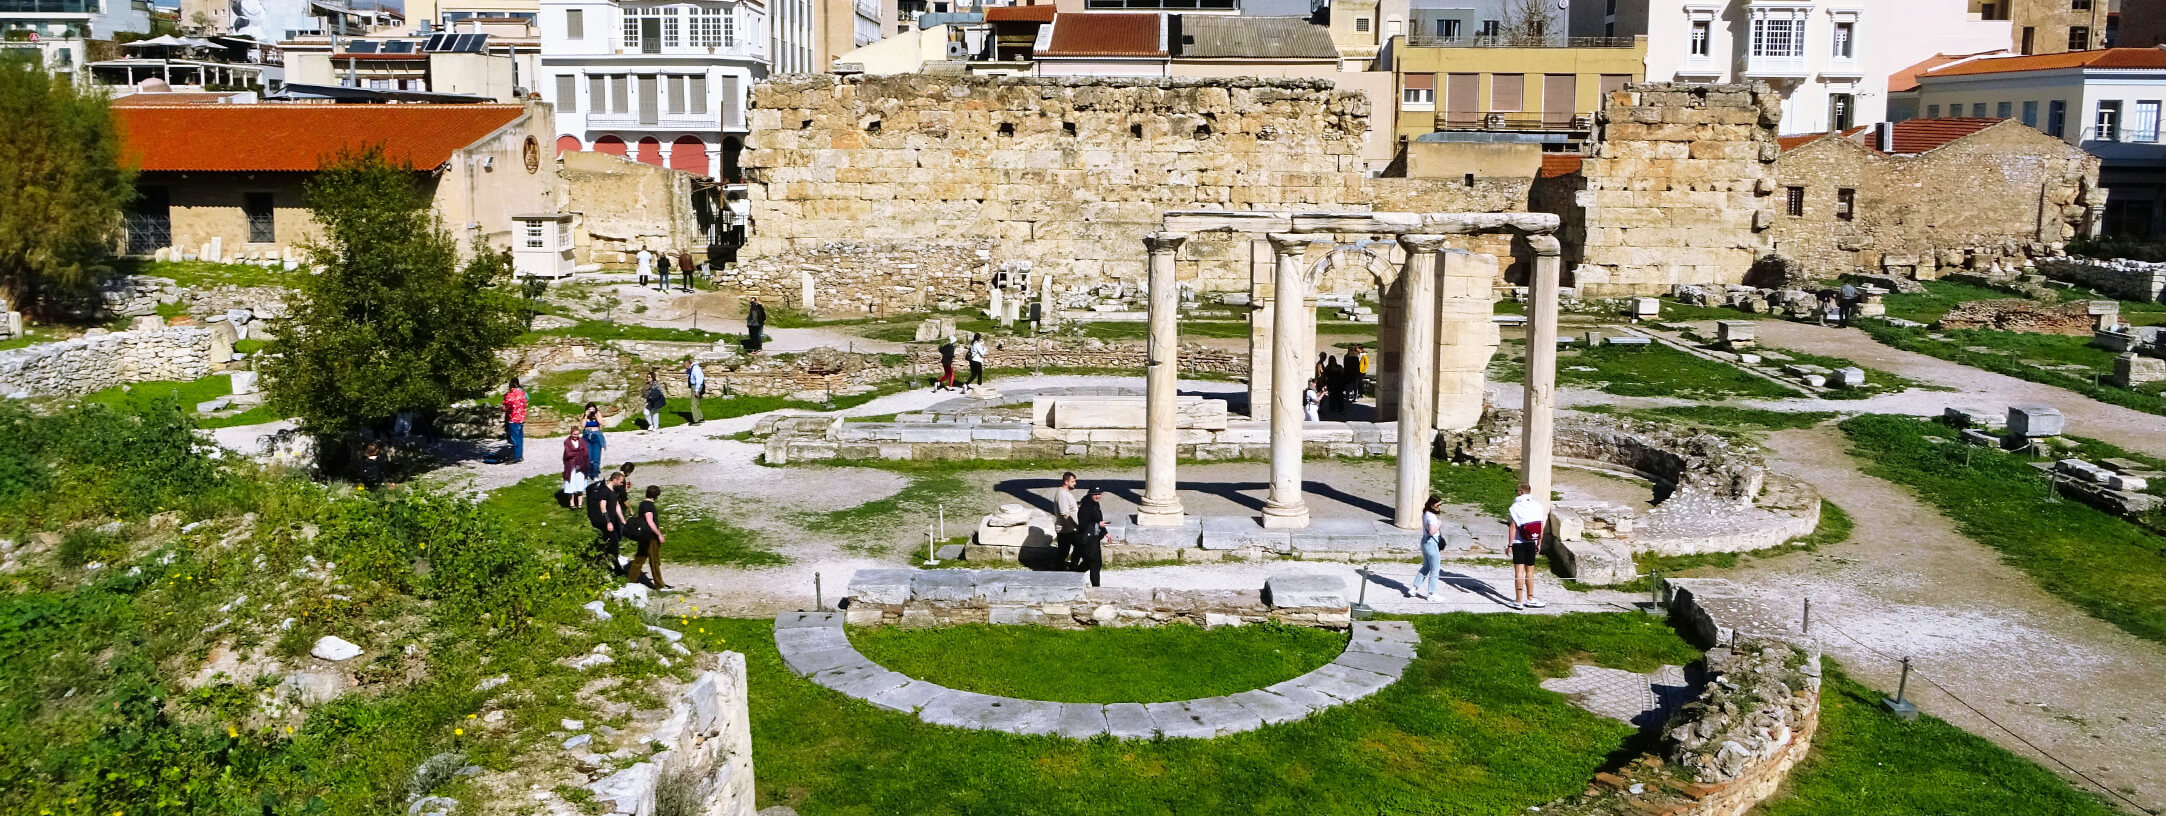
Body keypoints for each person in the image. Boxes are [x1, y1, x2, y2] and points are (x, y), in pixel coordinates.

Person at [1506, 483, 1549, 610]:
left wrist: (1509, 545)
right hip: (1532, 541)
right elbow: (1540, 526)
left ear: (1521, 492)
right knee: (1530, 571)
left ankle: (1518, 601)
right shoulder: (1537, 506)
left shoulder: (1515, 507)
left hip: (1519, 542)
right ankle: (1530, 598)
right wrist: (1539, 542)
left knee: (1519, 572)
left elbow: (1513, 527)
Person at [624, 484, 670, 590]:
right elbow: (650, 521)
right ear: (656, 496)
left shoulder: (642, 504)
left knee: (639, 558)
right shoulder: (649, 506)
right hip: (650, 536)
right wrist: (659, 534)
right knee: (654, 561)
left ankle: (631, 581)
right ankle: (659, 585)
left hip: (643, 536)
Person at [586, 470, 624, 571]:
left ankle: (596, 560)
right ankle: (616, 566)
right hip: (605, 522)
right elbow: (602, 506)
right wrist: (608, 521)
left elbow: (616, 505)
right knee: (612, 542)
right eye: (620, 481)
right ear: (614, 480)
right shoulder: (604, 491)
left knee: (607, 542)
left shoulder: (614, 490)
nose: (622, 483)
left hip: (612, 521)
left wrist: (622, 520)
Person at [1410, 495, 1445, 599]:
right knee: (1435, 569)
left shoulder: (1425, 514)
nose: (1440, 507)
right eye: (1438, 505)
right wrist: (1439, 524)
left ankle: (1414, 588)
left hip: (1424, 542)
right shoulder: (1431, 517)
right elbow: (1431, 531)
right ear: (1432, 504)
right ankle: (1431, 593)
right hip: (1431, 543)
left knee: (1426, 567)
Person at [1073, 486, 1107, 586]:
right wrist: (1098, 525)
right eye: (1095, 494)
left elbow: (1098, 519)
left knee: (1092, 562)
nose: (1098, 496)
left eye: (1099, 494)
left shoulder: (1095, 505)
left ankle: (1075, 574)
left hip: (1094, 538)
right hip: (1088, 540)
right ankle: (1096, 586)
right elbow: (1083, 525)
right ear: (1090, 495)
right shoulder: (1086, 507)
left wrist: (1105, 532)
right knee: (1094, 563)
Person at [1054, 471, 1080, 566]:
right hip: (1065, 530)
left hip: (1070, 529)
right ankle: (1059, 570)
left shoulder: (1066, 493)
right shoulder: (1062, 495)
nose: (1075, 484)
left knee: (1079, 546)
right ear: (1066, 482)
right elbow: (1064, 514)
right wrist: (1076, 526)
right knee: (1063, 552)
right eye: (1073, 481)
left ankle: (1073, 566)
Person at [500, 378, 527, 464]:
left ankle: (516, 457)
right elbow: (526, 400)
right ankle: (520, 455)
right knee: (520, 438)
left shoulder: (510, 395)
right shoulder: (523, 393)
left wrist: (502, 408)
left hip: (513, 419)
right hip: (521, 418)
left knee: (515, 439)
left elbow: (505, 408)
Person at [562, 432, 589, 509]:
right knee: (571, 484)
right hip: (571, 466)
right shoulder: (567, 442)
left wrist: (577, 455)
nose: (575, 436)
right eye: (574, 434)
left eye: (577, 434)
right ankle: (572, 503)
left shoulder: (582, 442)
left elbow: (585, 453)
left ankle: (580, 503)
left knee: (580, 483)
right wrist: (578, 454)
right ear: (571, 434)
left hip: (580, 465)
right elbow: (568, 454)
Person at [581, 403, 606, 479]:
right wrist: (585, 416)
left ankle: (595, 474)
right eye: (589, 409)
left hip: (596, 436)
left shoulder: (597, 414)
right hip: (586, 436)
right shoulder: (584, 415)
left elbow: (602, 423)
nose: (591, 411)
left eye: (593, 409)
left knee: (596, 457)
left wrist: (596, 416)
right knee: (588, 457)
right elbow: (582, 425)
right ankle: (588, 473)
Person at [685, 358, 706, 425]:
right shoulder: (692, 368)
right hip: (696, 385)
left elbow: (698, 379)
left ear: (688, 364)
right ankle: (700, 417)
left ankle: (696, 420)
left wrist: (696, 390)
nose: (684, 366)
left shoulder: (695, 368)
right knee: (696, 402)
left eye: (685, 364)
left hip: (696, 386)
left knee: (693, 403)